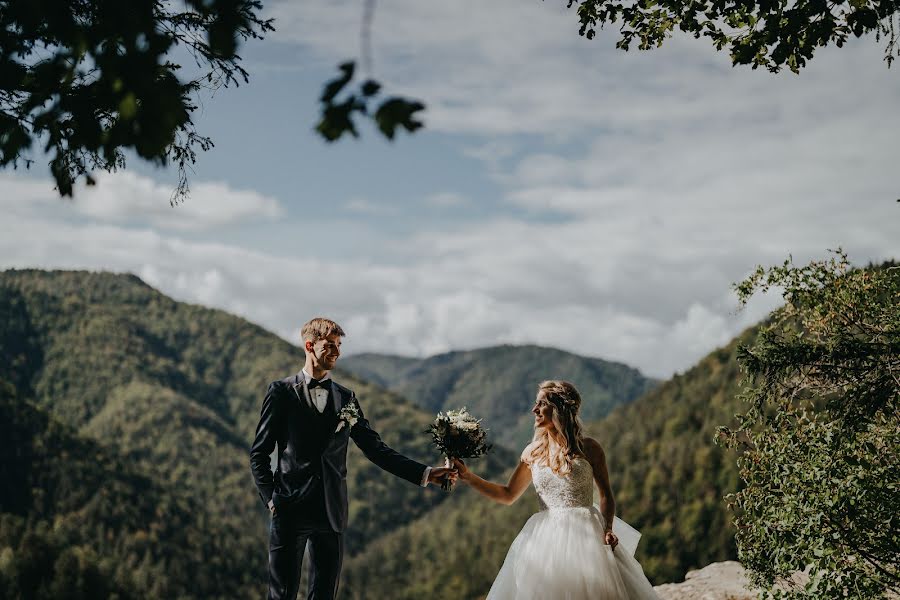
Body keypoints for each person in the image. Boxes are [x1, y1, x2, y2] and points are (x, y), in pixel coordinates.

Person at [249, 317, 456, 600]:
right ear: (309, 346)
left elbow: (375, 449)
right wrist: (272, 500)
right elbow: (259, 453)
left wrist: (426, 473)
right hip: (289, 510)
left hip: (331, 510)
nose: (336, 352)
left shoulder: (346, 398)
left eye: (339, 346)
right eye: (330, 345)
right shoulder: (282, 392)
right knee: (281, 595)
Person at [452, 380, 660, 599]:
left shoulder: (589, 448)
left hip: (588, 537)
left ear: (559, 408)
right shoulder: (532, 452)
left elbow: (606, 494)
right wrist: (468, 476)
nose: (534, 410)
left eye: (541, 403)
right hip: (545, 540)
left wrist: (608, 528)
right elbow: (507, 494)